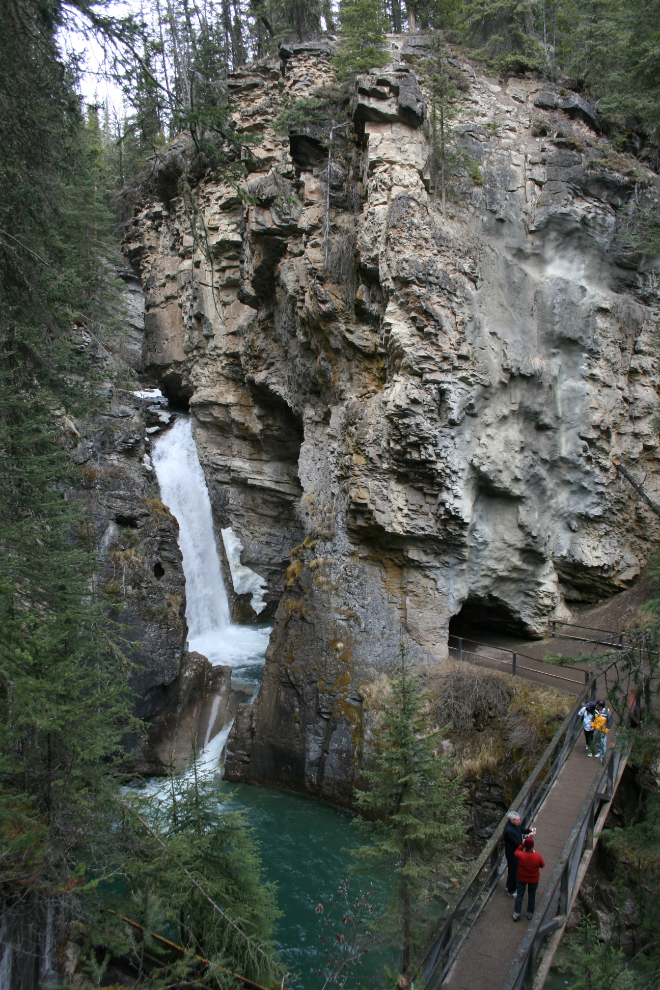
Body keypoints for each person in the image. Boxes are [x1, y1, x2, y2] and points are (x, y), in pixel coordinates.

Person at [503, 812, 536, 897]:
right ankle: (512, 891)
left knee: (512, 870)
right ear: (511, 820)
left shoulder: (515, 825)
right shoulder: (509, 831)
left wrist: (529, 830)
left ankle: (508, 885)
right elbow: (518, 842)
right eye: (517, 820)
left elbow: (521, 829)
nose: (519, 822)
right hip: (512, 854)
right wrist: (528, 837)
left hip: (515, 852)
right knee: (514, 871)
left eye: (519, 820)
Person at [513, 836, 545, 922]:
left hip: (521, 878)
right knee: (532, 896)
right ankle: (530, 914)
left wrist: (523, 844)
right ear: (533, 846)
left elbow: (516, 851)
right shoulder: (538, 856)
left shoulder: (521, 855)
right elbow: (542, 865)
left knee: (519, 895)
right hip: (533, 880)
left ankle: (516, 913)